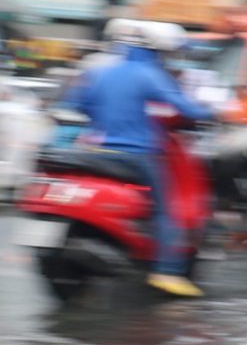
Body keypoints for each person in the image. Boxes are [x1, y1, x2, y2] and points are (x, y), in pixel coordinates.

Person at [70, 19, 214, 298]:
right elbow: (186, 108)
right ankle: (168, 272)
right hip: (137, 155)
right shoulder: (150, 74)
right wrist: (214, 112)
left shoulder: (100, 71)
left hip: (97, 151)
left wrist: (106, 122)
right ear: (159, 50)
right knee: (167, 210)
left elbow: (79, 104)